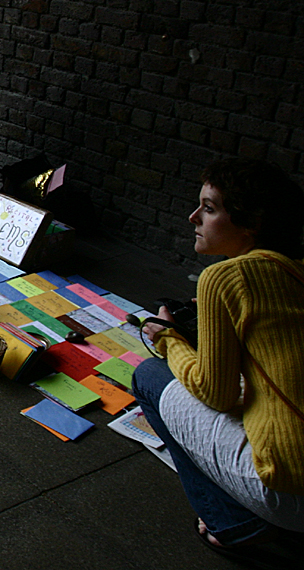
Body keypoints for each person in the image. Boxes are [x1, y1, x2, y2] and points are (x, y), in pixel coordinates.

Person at [132, 159, 304, 568]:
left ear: (252, 223)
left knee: (150, 377)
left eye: (208, 209)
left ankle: (231, 522)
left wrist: (169, 340)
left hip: (288, 485)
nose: (193, 217)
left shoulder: (224, 278)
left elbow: (217, 393)